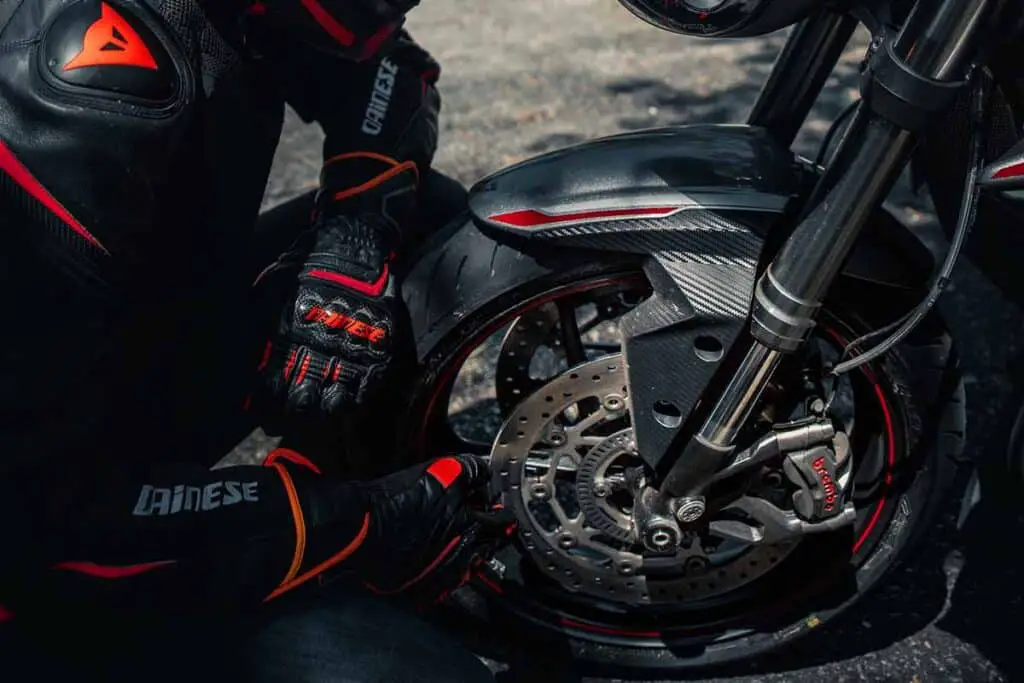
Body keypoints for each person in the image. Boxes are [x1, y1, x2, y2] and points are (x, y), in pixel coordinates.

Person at [0, 0, 507, 680]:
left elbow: (394, 72)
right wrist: (365, 523)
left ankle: (312, 505)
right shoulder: (82, 82)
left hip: (105, 377)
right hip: (39, 545)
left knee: (425, 223)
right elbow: (50, 536)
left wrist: (351, 246)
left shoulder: (250, 8)